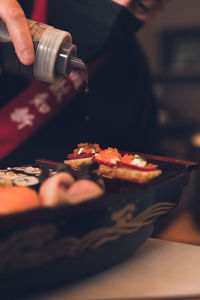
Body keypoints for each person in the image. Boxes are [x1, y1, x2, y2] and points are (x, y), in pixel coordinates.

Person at [0, 0, 168, 166]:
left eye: (143, 5)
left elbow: (143, 167)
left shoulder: (132, 69)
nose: (118, 7)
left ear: (158, 9)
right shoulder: (11, 11)